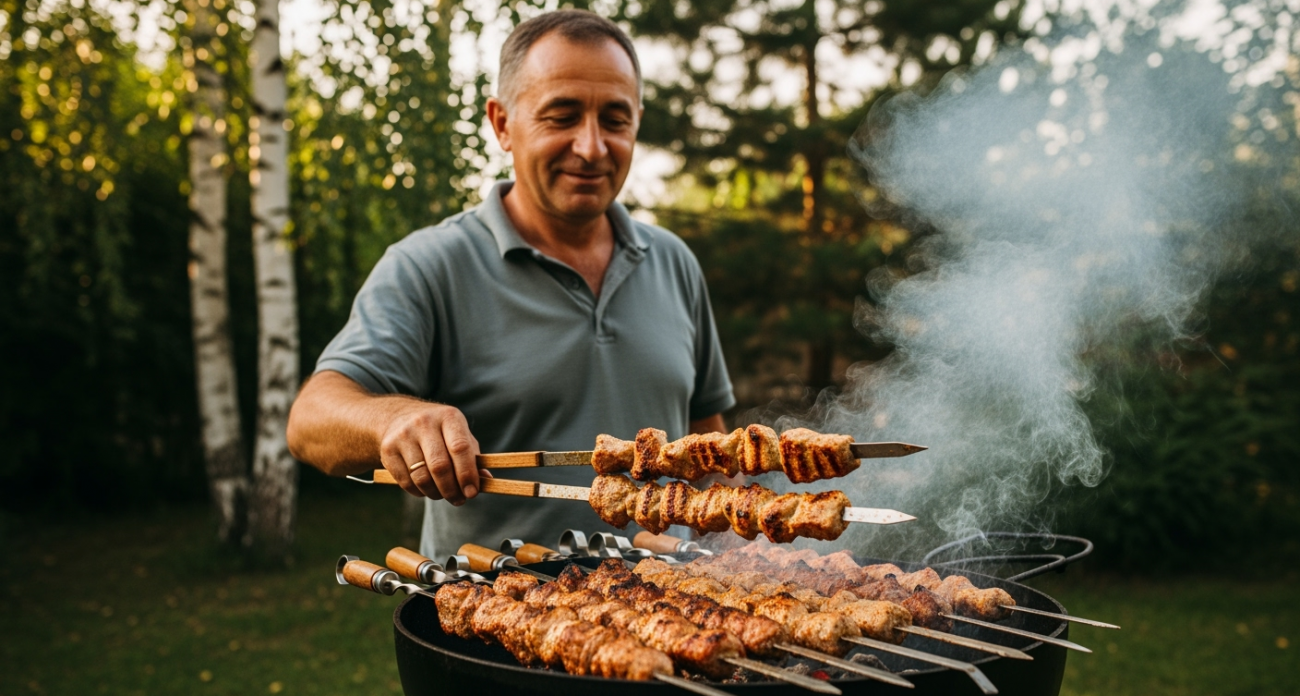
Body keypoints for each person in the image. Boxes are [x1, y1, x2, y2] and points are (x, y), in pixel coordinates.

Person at [286, 10, 735, 561]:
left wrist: (737, 560)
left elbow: (708, 441)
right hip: (499, 631)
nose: (592, 147)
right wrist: (396, 418)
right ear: (501, 124)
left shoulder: (673, 261)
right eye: (562, 116)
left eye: (615, 120)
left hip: (673, 620)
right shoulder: (429, 266)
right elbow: (311, 420)